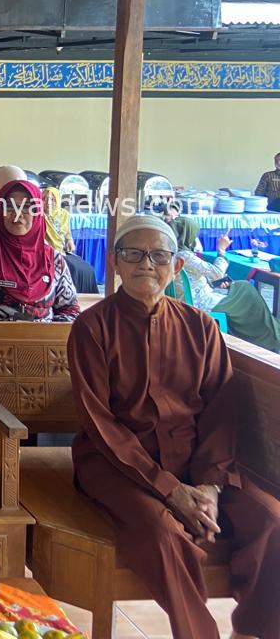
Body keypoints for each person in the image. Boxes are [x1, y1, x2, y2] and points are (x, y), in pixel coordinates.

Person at [69, 214, 280, 639]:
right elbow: (102, 425)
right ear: (115, 262)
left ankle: (253, 631)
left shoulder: (201, 327)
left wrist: (210, 487)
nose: (146, 264)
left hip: (199, 464)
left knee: (270, 518)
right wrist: (170, 490)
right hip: (118, 466)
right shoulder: (92, 328)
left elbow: (220, 413)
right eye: (133, 254)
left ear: (177, 265)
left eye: (159, 255)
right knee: (165, 533)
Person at [0, 179, 80, 324]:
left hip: (45, 338)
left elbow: (70, 309)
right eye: (10, 206)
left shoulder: (53, 260)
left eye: (27, 207)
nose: (17, 214)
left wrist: (48, 334)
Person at [171, 217, 280, 353]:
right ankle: (269, 336)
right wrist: (221, 250)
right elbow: (217, 273)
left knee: (240, 286)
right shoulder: (185, 256)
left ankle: (253, 335)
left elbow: (193, 279)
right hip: (199, 303)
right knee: (246, 290)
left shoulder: (168, 254)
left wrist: (214, 285)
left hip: (184, 299)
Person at [44, 185, 99, 295]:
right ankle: (70, 296)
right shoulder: (38, 216)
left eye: (52, 199)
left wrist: (70, 241)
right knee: (73, 269)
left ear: (58, 200)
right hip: (48, 252)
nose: (48, 203)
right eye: (45, 199)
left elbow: (67, 233)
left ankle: (88, 297)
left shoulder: (64, 214)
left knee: (88, 270)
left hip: (63, 251)